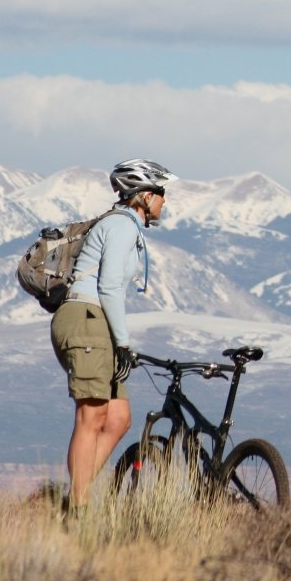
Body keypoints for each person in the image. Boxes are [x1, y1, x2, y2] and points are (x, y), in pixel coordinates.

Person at [49, 158, 176, 516]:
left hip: (95, 322)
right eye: (161, 193)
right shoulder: (121, 226)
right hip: (87, 319)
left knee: (118, 418)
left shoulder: (126, 226)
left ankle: (77, 495)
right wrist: (123, 342)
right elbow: (108, 287)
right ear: (144, 195)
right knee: (90, 418)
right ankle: (78, 511)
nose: (164, 200)